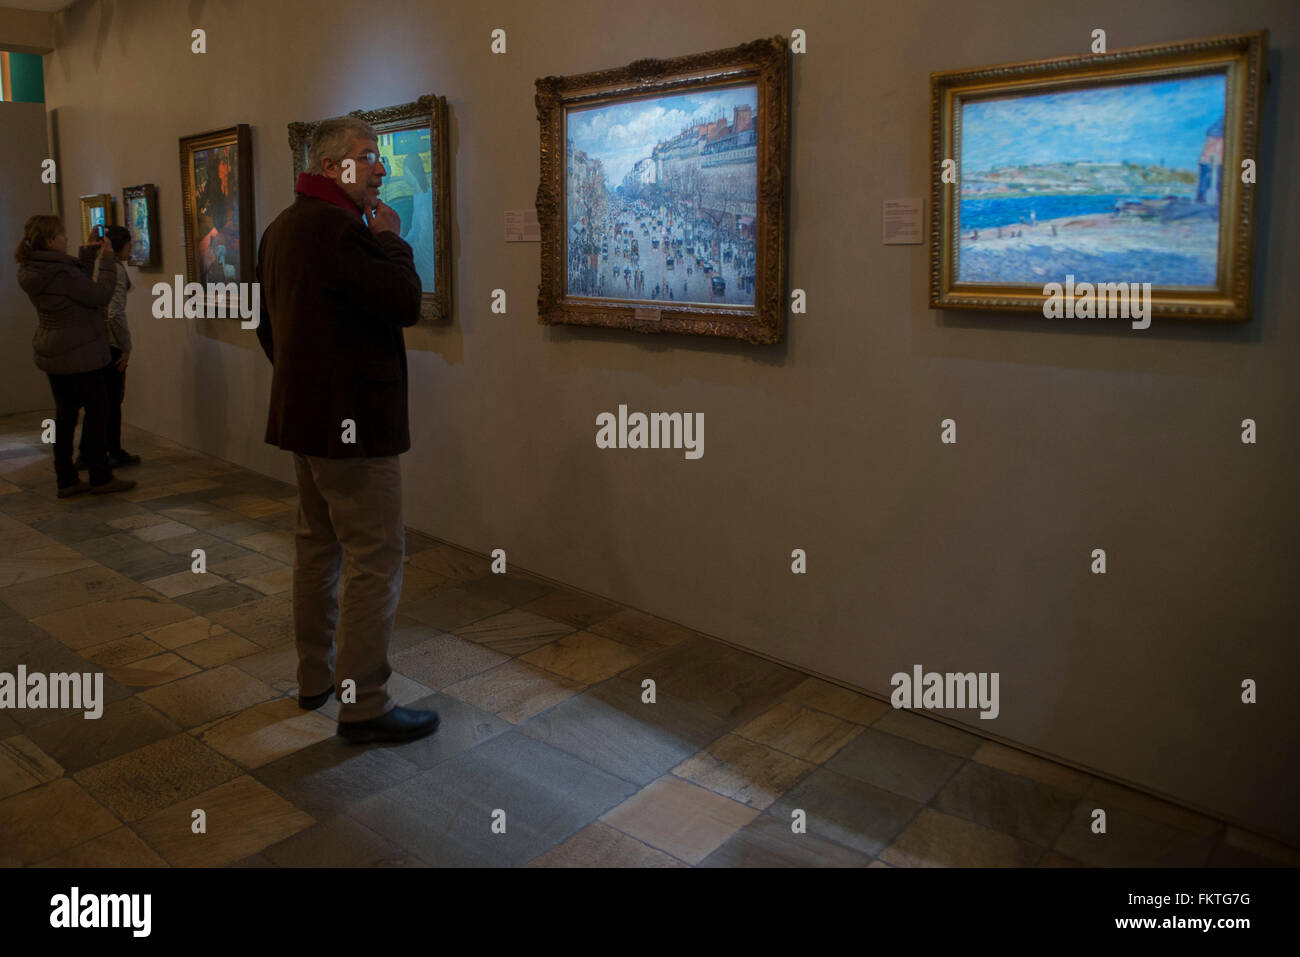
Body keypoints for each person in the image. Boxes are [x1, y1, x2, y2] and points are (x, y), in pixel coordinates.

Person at [256, 115, 438, 745]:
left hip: (307, 422)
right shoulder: (343, 230)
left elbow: (267, 331)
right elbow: (404, 302)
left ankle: (315, 679)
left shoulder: (281, 227)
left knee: (316, 547)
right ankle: (365, 706)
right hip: (352, 427)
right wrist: (394, 238)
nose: (381, 168)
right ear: (333, 167)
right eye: (367, 156)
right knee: (375, 557)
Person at [14, 215, 135, 498]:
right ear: (49, 240)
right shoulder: (60, 274)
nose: (66, 238)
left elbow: (73, 284)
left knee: (65, 415)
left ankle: (66, 478)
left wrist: (87, 253)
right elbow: (98, 295)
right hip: (80, 349)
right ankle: (100, 476)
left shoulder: (36, 268)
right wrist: (105, 260)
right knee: (98, 411)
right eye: (61, 234)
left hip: (53, 348)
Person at [76, 225, 139, 471]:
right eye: (129, 243)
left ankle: (93, 451)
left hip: (95, 341)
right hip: (110, 343)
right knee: (110, 402)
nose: (132, 247)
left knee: (99, 402)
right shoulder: (115, 270)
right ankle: (108, 451)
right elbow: (114, 312)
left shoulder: (97, 266)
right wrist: (126, 346)